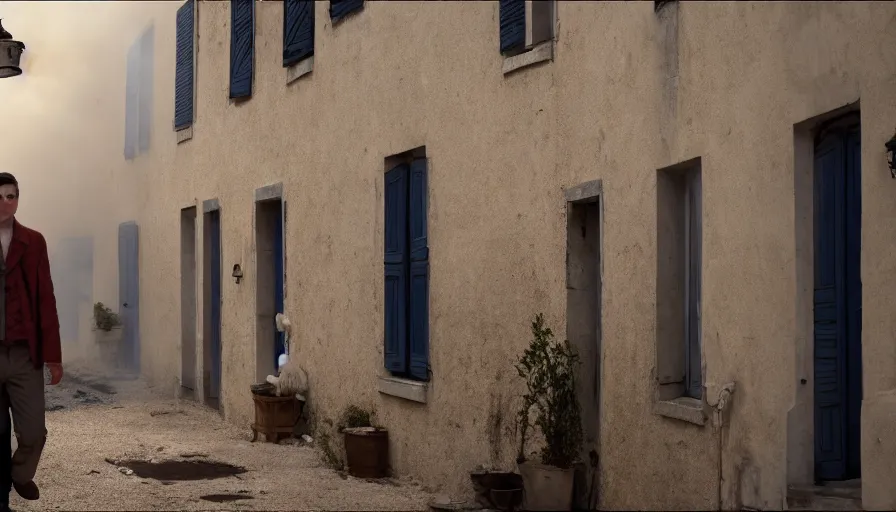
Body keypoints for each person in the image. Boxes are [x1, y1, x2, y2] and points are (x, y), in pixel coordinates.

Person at [0, 172, 63, 503]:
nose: (4, 203)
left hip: (24, 354)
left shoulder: (33, 241)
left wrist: (53, 357)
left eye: (10, 196)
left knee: (34, 431)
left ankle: (20, 474)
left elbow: (46, 300)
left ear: (18, 200)